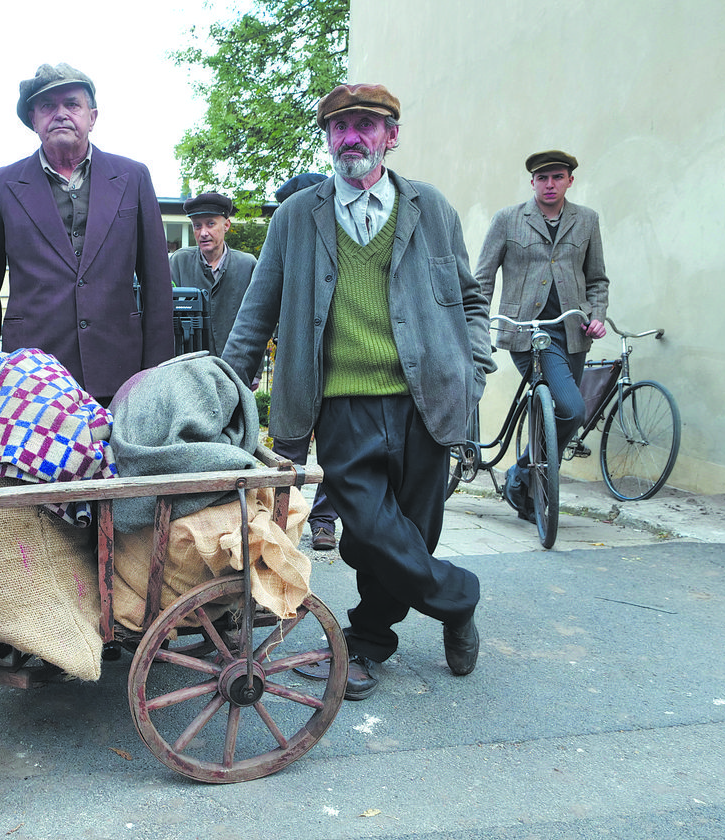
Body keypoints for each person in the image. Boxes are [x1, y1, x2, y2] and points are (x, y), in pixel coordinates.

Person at [222, 83, 494, 700]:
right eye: (339, 126)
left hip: (426, 400)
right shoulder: (298, 217)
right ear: (328, 138)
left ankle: (369, 641)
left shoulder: (432, 209)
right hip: (342, 403)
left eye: (365, 125)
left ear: (390, 136)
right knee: (370, 530)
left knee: (413, 535)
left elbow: (471, 299)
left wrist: (474, 368)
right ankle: (458, 598)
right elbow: (256, 312)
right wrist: (222, 386)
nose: (351, 137)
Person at [0, 62, 173, 406]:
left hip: (121, 374)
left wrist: (154, 373)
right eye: (47, 106)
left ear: (92, 116)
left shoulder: (132, 178)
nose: (60, 114)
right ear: (34, 120)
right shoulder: (1, 185)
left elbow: (158, 285)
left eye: (72, 104)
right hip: (32, 380)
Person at [475, 150, 609, 522]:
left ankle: (523, 477)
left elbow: (597, 279)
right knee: (572, 408)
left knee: (557, 416)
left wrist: (597, 316)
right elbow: (483, 278)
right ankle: (527, 479)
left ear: (569, 180)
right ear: (532, 182)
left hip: (574, 334)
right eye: (542, 178)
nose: (550, 184)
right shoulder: (508, 220)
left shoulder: (587, 221)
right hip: (526, 334)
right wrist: (476, 326)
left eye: (557, 177)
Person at [266, 174, 340, 551]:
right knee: (287, 447)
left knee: (333, 448)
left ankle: (323, 520)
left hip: (337, 363)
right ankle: (283, 519)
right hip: (295, 359)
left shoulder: (338, 236)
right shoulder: (285, 240)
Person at [168, 191, 256, 357]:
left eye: (210, 224)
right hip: (191, 366)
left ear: (226, 225)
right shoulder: (179, 263)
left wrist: (256, 372)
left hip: (236, 366)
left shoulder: (248, 265)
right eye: (197, 226)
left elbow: (259, 321)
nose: (203, 233)